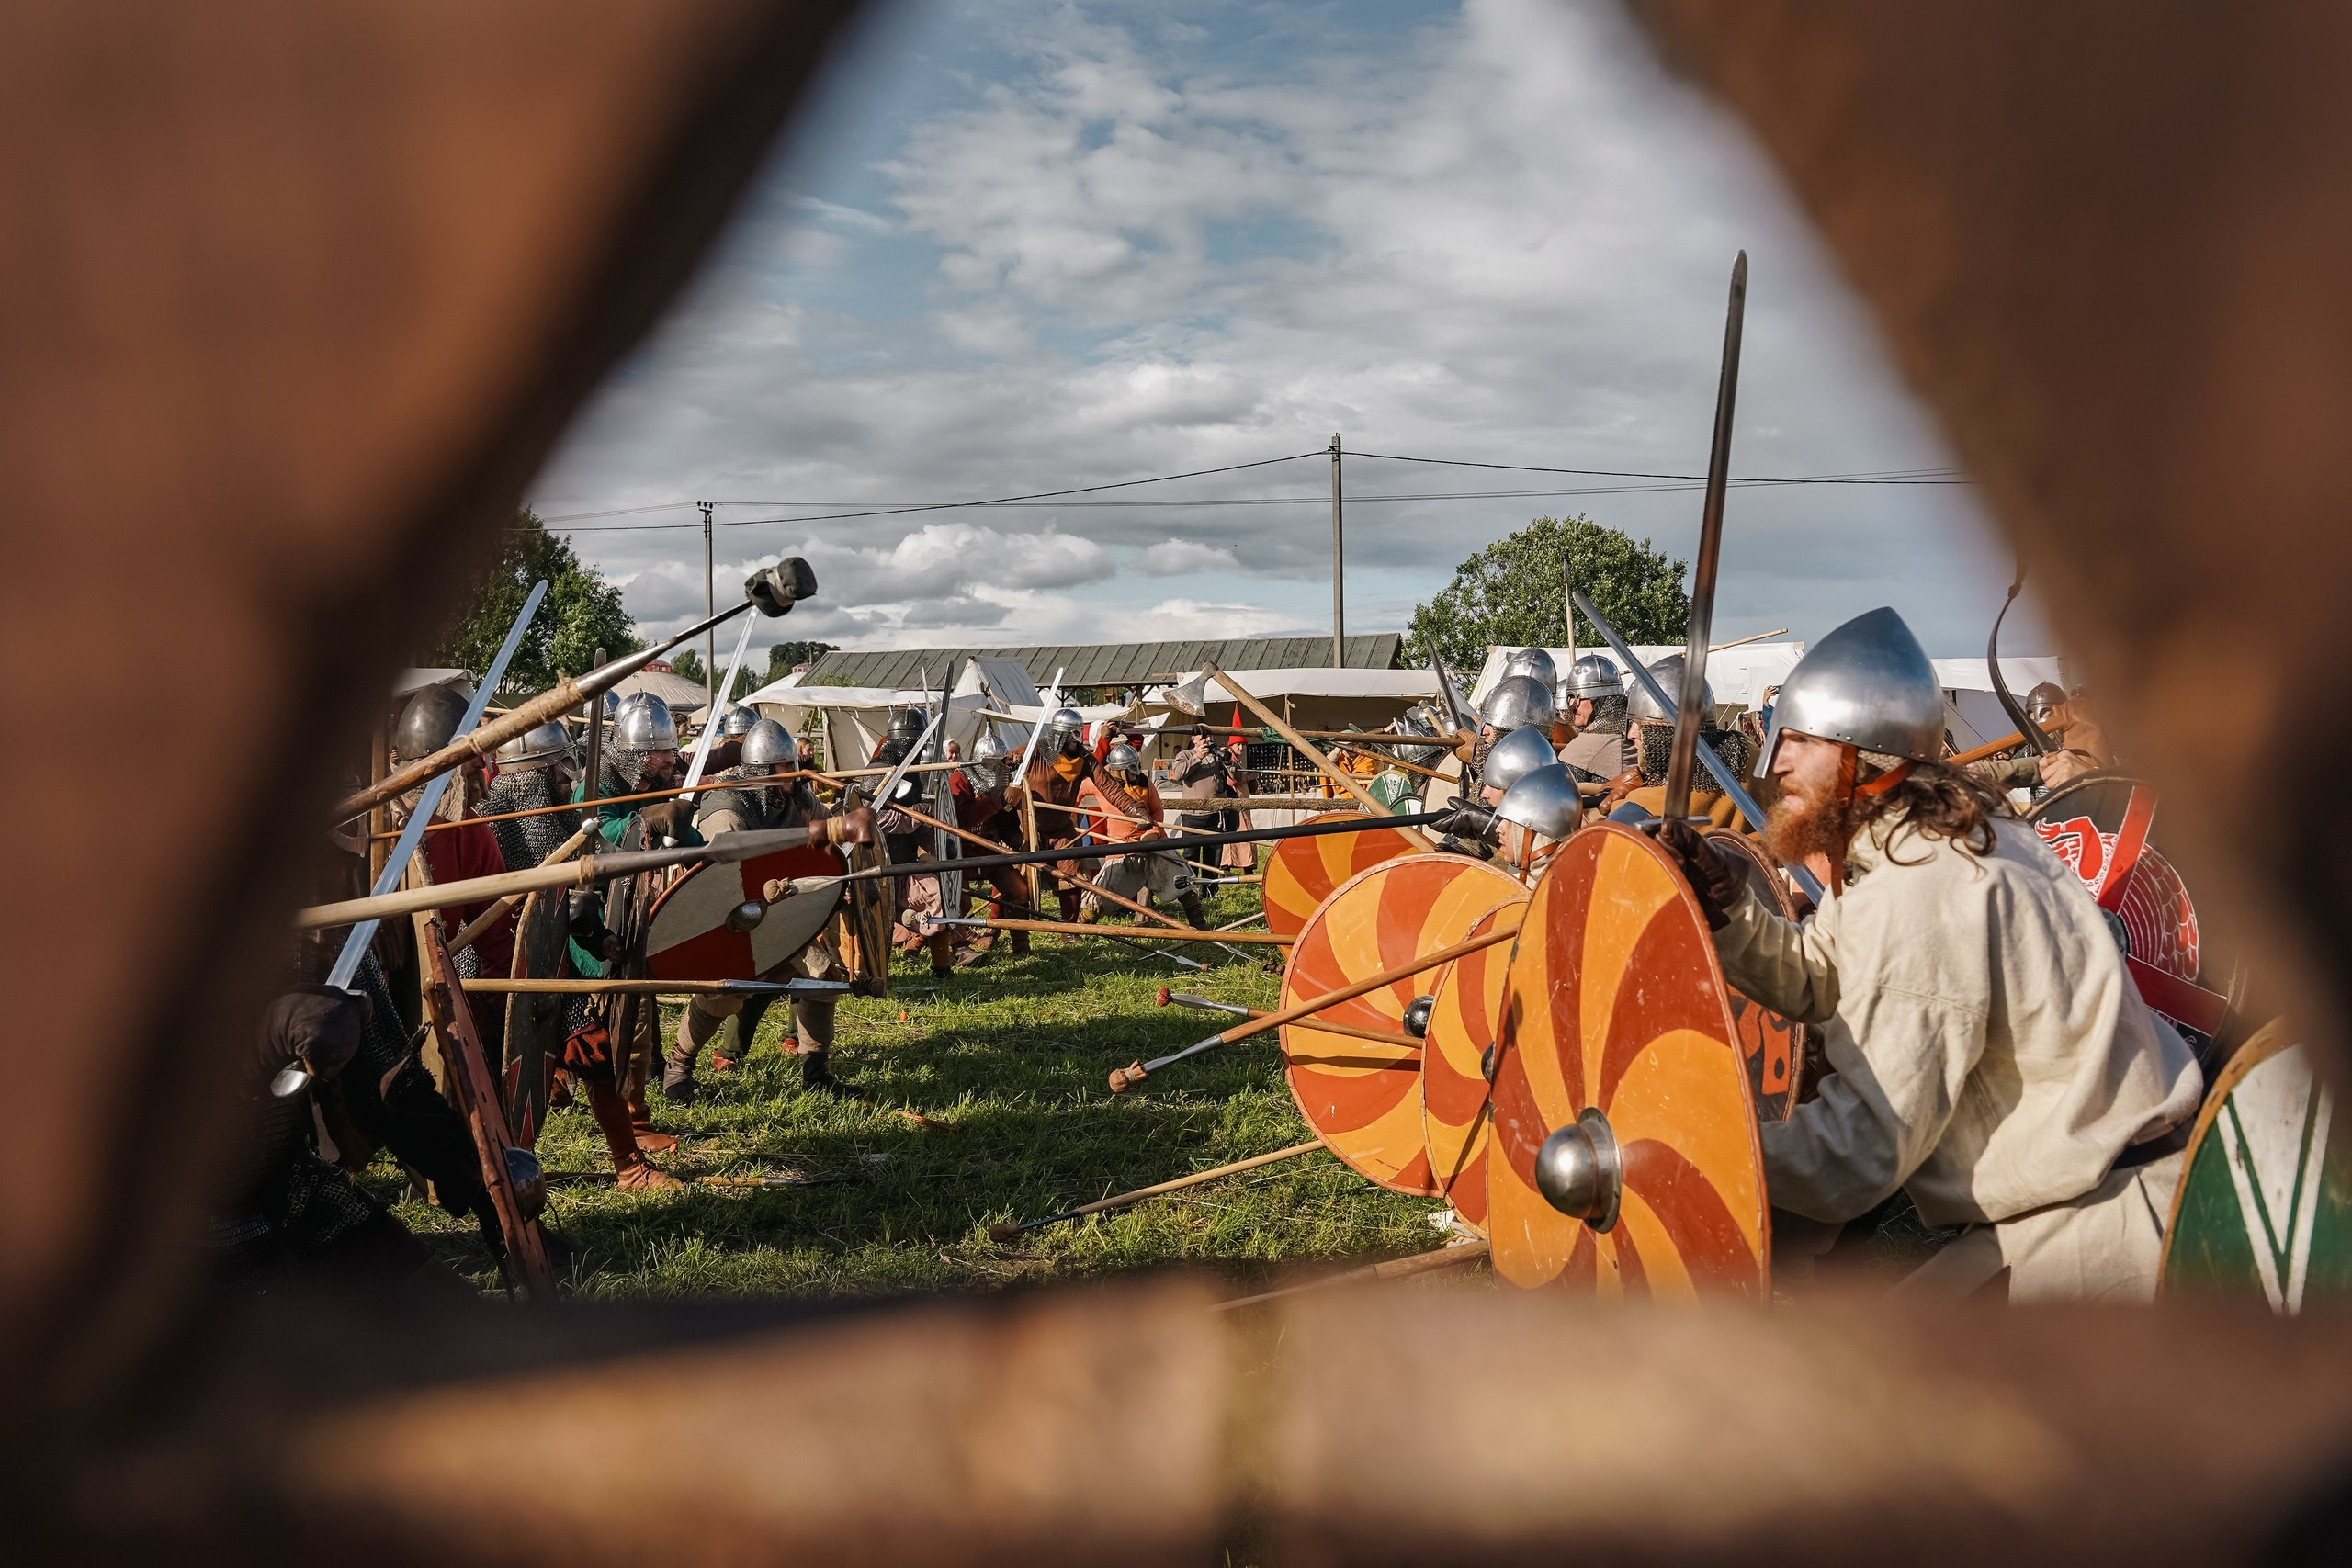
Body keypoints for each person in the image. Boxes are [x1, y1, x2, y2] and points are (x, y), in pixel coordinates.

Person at [1653, 607, 2201, 1303]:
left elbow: (1858, 1151)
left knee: (1874, 1370)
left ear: (1859, 754)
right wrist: (1730, 910)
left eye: (1798, 740)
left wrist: (1689, 1147)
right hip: (2083, 1200)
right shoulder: (1936, 839)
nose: (1774, 762)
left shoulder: (1924, 884)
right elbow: (1823, 976)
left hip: (2098, 1234)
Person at [663, 719, 858, 1099]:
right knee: (723, 994)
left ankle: (816, 1074)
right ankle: (679, 1065)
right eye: (787, 767)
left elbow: (829, 833)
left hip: (783, 912)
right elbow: (721, 881)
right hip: (732, 920)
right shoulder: (727, 807)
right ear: (765, 771)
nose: (796, 773)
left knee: (822, 978)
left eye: (793, 765)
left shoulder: (796, 795)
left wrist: (849, 826)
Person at [563, 694, 694, 1188]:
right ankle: (631, 1126)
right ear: (634, 753)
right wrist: (646, 821)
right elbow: (593, 840)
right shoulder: (594, 787)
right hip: (592, 926)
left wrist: (699, 842)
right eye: (660, 751)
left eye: (670, 749)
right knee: (618, 1029)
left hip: (633, 918)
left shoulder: (648, 786)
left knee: (637, 1021)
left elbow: (679, 840)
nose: (670, 758)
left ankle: (632, 1116)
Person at [1596, 655, 1747, 828]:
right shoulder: (1744, 750)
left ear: (1670, 733)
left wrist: (1624, 802)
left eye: (1642, 726)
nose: (1630, 734)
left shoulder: (1651, 804)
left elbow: (1622, 823)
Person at [1079, 742, 1208, 928]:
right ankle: (1082, 929)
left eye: (1137, 766)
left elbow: (1157, 812)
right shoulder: (1100, 783)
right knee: (1098, 897)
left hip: (1153, 845)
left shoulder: (1144, 782)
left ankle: (1199, 925)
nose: (1136, 773)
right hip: (1121, 848)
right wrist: (1068, 820)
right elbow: (1074, 793)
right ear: (1120, 770)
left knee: (1181, 879)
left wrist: (1152, 833)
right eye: (1131, 769)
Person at [1023, 705, 1114, 923]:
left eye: (1078, 732)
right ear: (1061, 735)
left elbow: (1109, 787)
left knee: (1072, 879)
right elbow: (1001, 770)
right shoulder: (1035, 752)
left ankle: (1070, 931)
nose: (1077, 739)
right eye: (1073, 734)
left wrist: (1136, 811)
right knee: (1013, 882)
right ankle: (1001, 931)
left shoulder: (1081, 758)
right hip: (1028, 829)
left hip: (1062, 830)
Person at [946, 730, 1035, 956]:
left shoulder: (1003, 779)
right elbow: (964, 817)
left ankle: (1021, 948)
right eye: (992, 764)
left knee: (1019, 891)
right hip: (961, 853)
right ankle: (953, 948)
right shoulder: (960, 778)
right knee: (958, 902)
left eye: (999, 763)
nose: (996, 768)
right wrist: (995, 801)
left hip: (989, 850)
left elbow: (1006, 823)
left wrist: (1018, 841)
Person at [1167, 723, 1237, 875]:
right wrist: (1197, 757)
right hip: (1193, 816)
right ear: (1194, 739)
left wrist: (1229, 762)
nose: (1208, 739)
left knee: (1213, 858)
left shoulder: (1217, 755)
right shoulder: (1185, 755)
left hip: (1216, 816)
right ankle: (1190, 886)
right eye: (1204, 736)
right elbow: (1178, 774)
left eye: (1210, 735)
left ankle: (1210, 888)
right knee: (1190, 856)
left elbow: (1236, 777)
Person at [1558, 655, 1630, 785]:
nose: (1573, 705)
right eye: (1570, 698)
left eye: (1578, 697)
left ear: (1599, 700)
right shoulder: (1639, 737)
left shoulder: (1584, 748)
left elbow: (1560, 788)